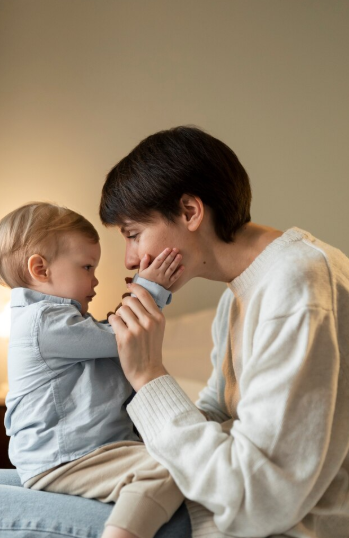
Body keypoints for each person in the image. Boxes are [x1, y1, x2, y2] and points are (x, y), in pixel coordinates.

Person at [99, 126, 349, 538]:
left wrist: (148, 376)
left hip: (277, 529)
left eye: (132, 234)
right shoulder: (237, 296)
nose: (130, 259)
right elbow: (215, 418)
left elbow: (261, 499)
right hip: (216, 510)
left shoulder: (298, 286)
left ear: (190, 211)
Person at [0, 201, 185, 538]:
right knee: (171, 468)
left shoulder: (61, 322)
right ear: (40, 269)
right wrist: (150, 290)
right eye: (87, 267)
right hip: (64, 458)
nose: (95, 280)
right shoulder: (41, 322)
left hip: (89, 452)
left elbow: (112, 337)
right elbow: (122, 338)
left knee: (184, 454)